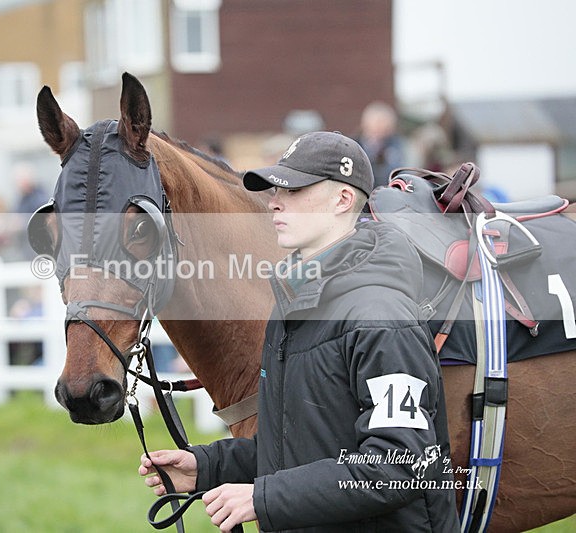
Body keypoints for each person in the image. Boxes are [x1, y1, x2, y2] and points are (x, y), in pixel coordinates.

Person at [139, 131, 458, 532]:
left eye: (294, 189)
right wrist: (206, 466)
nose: (273, 201)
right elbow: (294, 448)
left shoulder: (382, 319)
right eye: (275, 189)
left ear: (343, 200)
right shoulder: (292, 308)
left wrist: (262, 497)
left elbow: (400, 465)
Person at [355, 101, 406, 189]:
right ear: (364, 125)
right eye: (376, 124)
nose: (379, 129)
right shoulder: (354, 146)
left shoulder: (396, 146)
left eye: (384, 125)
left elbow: (401, 173)